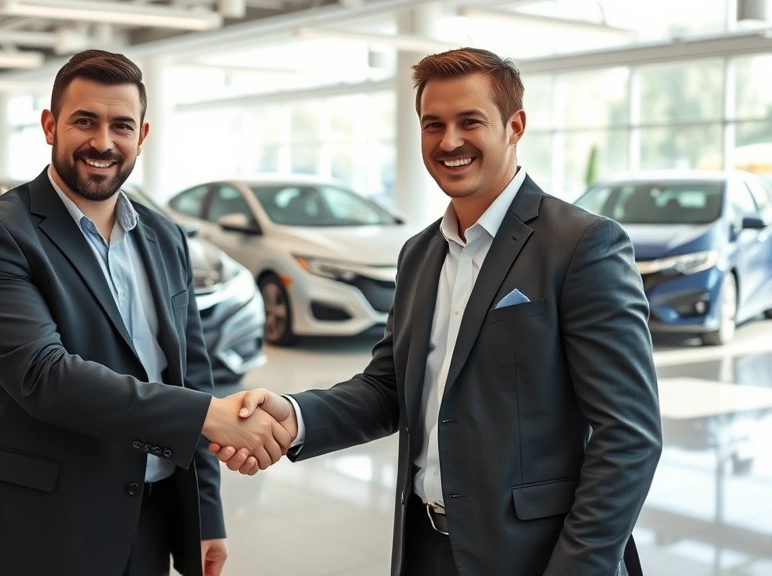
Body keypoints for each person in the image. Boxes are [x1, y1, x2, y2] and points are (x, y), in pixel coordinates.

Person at [211, 47, 663, 576]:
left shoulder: (582, 245)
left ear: (514, 126)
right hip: (426, 548)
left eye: (470, 121)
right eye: (433, 125)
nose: (449, 142)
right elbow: (387, 388)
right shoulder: (420, 254)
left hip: (537, 555)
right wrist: (296, 415)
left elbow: (629, 434)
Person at [0, 49, 291, 576]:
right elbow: (43, 376)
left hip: (146, 525)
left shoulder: (165, 236)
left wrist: (206, 514)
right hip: (32, 530)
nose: (102, 142)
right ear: (50, 125)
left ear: (142, 135)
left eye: (121, 125)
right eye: (84, 121)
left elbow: (191, 375)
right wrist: (207, 419)